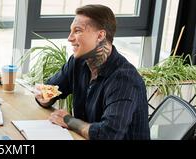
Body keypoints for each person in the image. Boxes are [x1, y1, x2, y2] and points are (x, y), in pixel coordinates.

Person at [35, 4, 150, 140]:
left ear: (100, 35)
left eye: (77, 31)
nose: (70, 38)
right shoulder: (77, 62)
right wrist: (44, 98)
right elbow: (51, 90)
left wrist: (68, 120)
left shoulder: (124, 79)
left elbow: (108, 135)